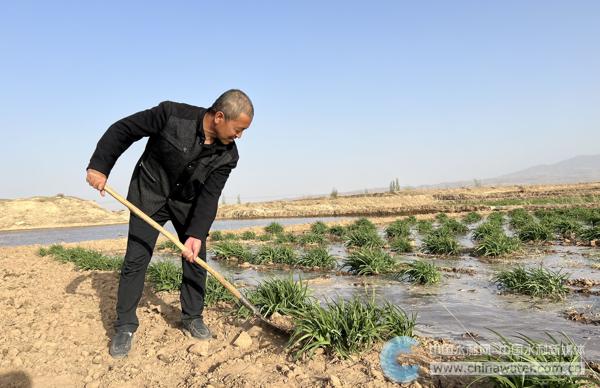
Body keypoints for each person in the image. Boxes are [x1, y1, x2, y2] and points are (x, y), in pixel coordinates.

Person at [86, 89, 253, 358]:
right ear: (220, 117)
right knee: (136, 259)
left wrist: (197, 234)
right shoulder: (171, 115)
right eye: (239, 129)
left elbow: (210, 196)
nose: (240, 136)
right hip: (148, 194)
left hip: (188, 204)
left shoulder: (228, 156)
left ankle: (192, 317)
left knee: (196, 258)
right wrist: (99, 167)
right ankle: (125, 325)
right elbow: (123, 130)